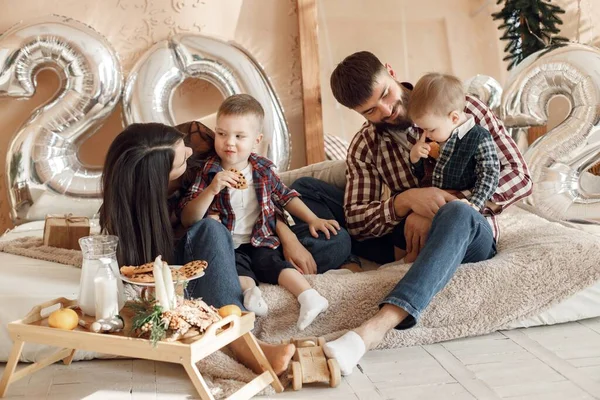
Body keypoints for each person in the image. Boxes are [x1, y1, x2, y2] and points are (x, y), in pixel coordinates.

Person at [290, 51, 532, 375]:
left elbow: (519, 175)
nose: (387, 110)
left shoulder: (461, 107)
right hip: (404, 234)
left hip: (468, 229)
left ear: (391, 72)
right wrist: (406, 202)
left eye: (386, 94)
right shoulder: (366, 145)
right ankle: (343, 261)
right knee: (307, 188)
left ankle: (373, 330)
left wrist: (439, 203)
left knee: (456, 214)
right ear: (357, 113)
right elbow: (357, 219)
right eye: (371, 110)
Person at [99, 122, 295, 375]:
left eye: (184, 146)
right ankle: (245, 344)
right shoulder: (130, 214)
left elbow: (263, 197)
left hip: (249, 239)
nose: (191, 154)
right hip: (194, 255)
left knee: (213, 230)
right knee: (210, 231)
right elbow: (143, 269)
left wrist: (288, 236)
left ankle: (242, 335)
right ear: (158, 179)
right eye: (181, 161)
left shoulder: (199, 145)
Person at [180, 94, 351, 330]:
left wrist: (313, 219)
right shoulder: (208, 172)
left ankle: (309, 297)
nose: (229, 142)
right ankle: (252, 295)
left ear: (256, 140)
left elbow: (286, 196)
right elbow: (189, 217)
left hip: (261, 239)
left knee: (274, 263)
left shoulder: (262, 169)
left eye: (239, 136)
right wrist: (212, 189)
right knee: (238, 272)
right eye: (222, 134)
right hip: (231, 246)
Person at [407, 72, 499, 214]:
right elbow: (423, 177)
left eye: (430, 129)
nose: (425, 134)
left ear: (454, 118)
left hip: (465, 207)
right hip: (434, 206)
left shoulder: (479, 137)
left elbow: (489, 175)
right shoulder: (437, 137)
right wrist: (415, 158)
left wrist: (474, 203)